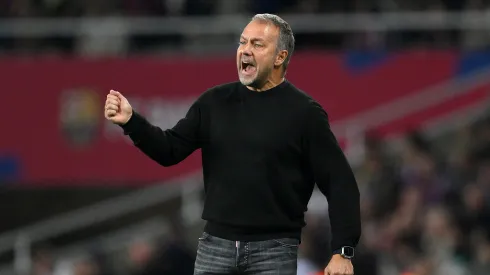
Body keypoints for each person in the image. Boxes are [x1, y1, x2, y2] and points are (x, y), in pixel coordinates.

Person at [104, 13, 361, 275]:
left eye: (257, 44)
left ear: (280, 57)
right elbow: (169, 150)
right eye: (242, 42)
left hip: (273, 252)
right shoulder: (213, 103)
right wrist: (131, 121)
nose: (245, 50)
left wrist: (343, 251)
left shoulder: (305, 113)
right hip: (214, 248)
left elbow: (339, 183)